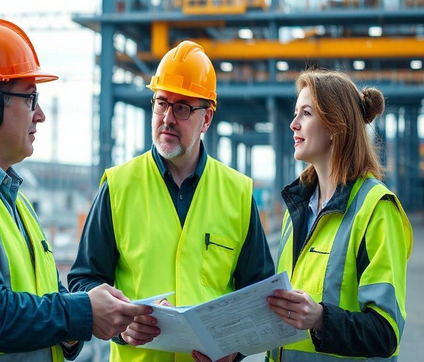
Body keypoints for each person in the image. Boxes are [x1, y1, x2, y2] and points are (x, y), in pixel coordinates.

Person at [0, 19, 151, 361]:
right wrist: (82, 312)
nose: (39, 115)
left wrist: (93, 318)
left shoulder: (14, 201)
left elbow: (45, 302)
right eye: (30, 98)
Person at [68, 40, 275, 362]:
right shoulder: (118, 186)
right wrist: (123, 326)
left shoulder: (237, 192)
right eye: (161, 103)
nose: (167, 118)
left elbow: (259, 294)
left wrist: (234, 351)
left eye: (182, 108)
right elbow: (84, 280)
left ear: (206, 119)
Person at [266, 70, 413, 361]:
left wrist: (321, 318)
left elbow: (386, 333)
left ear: (336, 126)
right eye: (296, 113)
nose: (293, 124)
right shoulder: (296, 209)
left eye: (306, 114)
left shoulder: (376, 209)